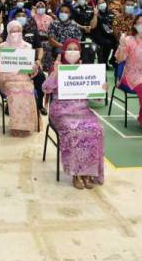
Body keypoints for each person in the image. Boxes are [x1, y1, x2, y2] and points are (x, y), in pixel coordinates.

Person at [42, 38, 105, 189]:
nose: (72, 52)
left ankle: (89, 172)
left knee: (96, 129)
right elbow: (46, 88)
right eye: (69, 49)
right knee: (73, 130)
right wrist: (54, 75)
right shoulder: (57, 67)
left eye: (75, 49)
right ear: (63, 51)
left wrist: (102, 88)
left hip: (82, 109)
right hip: (61, 110)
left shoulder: (85, 69)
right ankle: (76, 173)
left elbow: (96, 96)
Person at [0, 20, 39, 136]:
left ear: (22, 31)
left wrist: (34, 67)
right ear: (8, 32)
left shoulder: (27, 46)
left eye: (18, 31)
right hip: (6, 79)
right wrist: (4, 64)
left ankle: (27, 125)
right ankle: (17, 126)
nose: (15, 33)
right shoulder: (2, 47)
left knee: (28, 90)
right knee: (14, 90)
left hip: (23, 78)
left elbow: (31, 68)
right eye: (12, 31)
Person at [46, 3, 82, 71]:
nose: (63, 13)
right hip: (59, 47)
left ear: (70, 14)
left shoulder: (74, 25)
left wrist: (71, 48)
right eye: (61, 12)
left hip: (73, 48)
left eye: (66, 12)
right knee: (61, 52)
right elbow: (51, 39)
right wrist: (63, 47)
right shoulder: (54, 24)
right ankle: (63, 71)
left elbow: (78, 40)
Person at [91, 0, 117, 67]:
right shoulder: (94, 13)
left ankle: (113, 60)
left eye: (103, 2)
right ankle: (104, 62)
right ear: (96, 5)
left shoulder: (111, 13)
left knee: (118, 42)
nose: (102, 4)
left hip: (110, 34)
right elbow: (92, 26)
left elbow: (114, 24)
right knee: (107, 43)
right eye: (99, 3)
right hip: (98, 35)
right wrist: (95, 15)